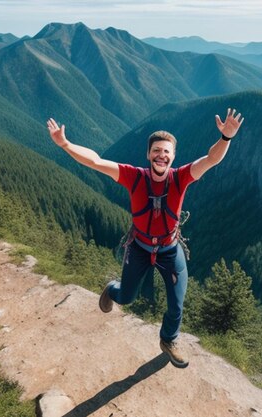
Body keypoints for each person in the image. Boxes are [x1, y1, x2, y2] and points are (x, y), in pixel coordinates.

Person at [47, 109, 244, 368]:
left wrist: (226, 138)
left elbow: (211, 159)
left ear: (173, 157)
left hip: (169, 249)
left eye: (166, 152)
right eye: (156, 151)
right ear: (148, 155)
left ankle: (169, 340)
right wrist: (65, 144)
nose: (161, 155)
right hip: (139, 247)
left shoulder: (181, 178)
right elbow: (96, 161)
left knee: (177, 303)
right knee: (127, 297)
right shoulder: (134, 176)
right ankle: (112, 289)